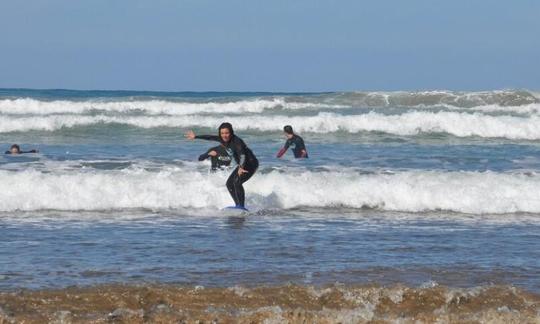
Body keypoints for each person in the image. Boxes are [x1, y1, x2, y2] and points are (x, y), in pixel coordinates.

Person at [186, 123, 258, 208]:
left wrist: (241, 167)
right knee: (229, 184)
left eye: (227, 133)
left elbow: (242, 155)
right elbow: (210, 137)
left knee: (237, 182)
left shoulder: (236, 141)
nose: (224, 135)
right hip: (242, 165)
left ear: (231, 133)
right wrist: (196, 137)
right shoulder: (222, 139)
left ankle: (241, 207)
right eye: (222, 133)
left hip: (250, 164)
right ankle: (238, 205)